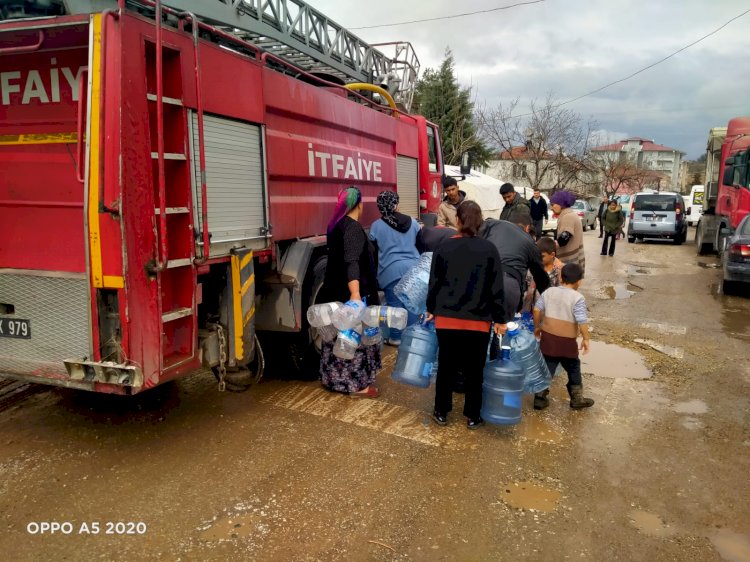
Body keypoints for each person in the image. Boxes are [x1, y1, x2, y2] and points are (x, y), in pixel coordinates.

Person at [425, 201, 509, 429]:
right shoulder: (489, 250)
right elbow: (496, 289)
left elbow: (434, 283)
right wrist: (501, 319)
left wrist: (431, 309)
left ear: (458, 221)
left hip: (447, 319)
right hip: (478, 323)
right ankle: (473, 415)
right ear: (480, 223)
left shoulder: (444, 248)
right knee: (475, 370)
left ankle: (441, 411)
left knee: (446, 367)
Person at [318, 186, 381, 398]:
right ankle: (357, 386)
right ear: (360, 205)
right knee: (354, 340)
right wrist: (355, 295)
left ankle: (332, 380)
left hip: (333, 291)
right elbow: (351, 262)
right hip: (350, 294)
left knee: (337, 340)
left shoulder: (336, 226)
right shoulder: (353, 228)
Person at [532, 262, 595, 410]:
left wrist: (537, 327)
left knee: (547, 367)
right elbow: (581, 320)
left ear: (561, 277)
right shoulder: (578, 298)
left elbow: (536, 310)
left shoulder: (549, 292)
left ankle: (540, 398)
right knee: (573, 367)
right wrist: (586, 338)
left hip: (548, 340)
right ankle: (577, 398)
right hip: (567, 343)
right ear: (579, 281)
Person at [369, 191, 421, 345]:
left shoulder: (376, 226)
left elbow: (373, 253)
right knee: (412, 306)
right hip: (413, 270)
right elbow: (422, 246)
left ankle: (396, 338)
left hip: (390, 271)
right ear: (396, 204)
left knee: (394, 307)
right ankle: (412, 339)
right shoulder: (413, 222)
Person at [481, 211, 550, 320]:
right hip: (508, 286)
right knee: (504, 330)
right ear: (527, 228)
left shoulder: (491, 225)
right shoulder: (529, 242)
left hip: (483, 281)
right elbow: (541, 278)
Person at [550, 190, 585, 272]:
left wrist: (547, 247)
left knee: (567, 284)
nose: (551, 208)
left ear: (561, 204)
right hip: (574, 260)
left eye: (553, 205)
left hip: (569, 261)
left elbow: (563, 239)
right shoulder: (570, 214)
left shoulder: (567, 217)